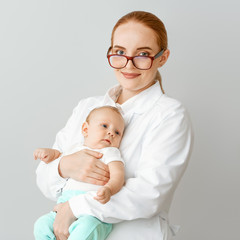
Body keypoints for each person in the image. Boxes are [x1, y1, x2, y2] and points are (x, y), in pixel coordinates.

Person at [35, 10, 193, 240]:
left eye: (142, 54)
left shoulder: (170, 115)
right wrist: (65, 165)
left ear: (162, 57)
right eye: (120, 52)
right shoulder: (87, 106)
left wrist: (75, 208)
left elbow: (149, 194)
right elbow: (44, 180)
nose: (128, 65)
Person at [34, 106, 125, 240]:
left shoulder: (111, 152)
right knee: (41, 225)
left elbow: (118, 176)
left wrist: (109, 189)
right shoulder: (75, 149)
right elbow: (60, 156)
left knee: (86, 229)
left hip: (93, 213)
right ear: (85, 129)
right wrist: (49, 153)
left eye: (117, 132)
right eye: (105, 126)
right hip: (63, 205)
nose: (111, 133)